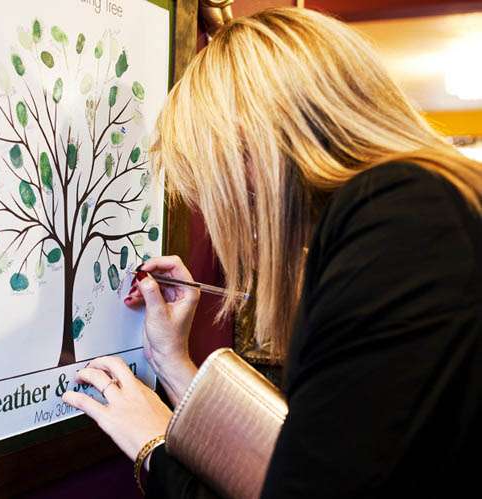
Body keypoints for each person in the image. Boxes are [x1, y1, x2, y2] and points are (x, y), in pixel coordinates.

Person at [62, 7, 482, 498]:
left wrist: (153, 444)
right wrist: (174, 366)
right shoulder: (427, 209)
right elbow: (313, 452)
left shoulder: (402, 223)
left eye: (211, 179)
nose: (220, 211)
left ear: (250, 142)